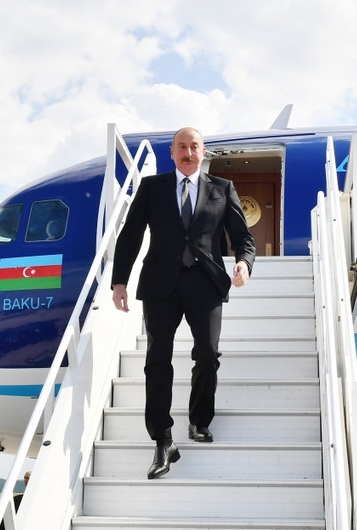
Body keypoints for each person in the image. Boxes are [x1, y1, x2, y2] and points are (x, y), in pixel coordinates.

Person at [111, 126, 256, 479]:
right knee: (157, 359)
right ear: (172, 153)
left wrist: (243, 262)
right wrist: (119, 281)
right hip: (160, 284)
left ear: (203, 152)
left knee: (207, 353)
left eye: (194, 147)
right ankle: (162, 440)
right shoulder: (152, 187)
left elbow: (243, 236)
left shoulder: (223, 188)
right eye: (182, 147)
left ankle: (199, 420)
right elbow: (130, 235)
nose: (188, 153)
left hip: (206, 282)